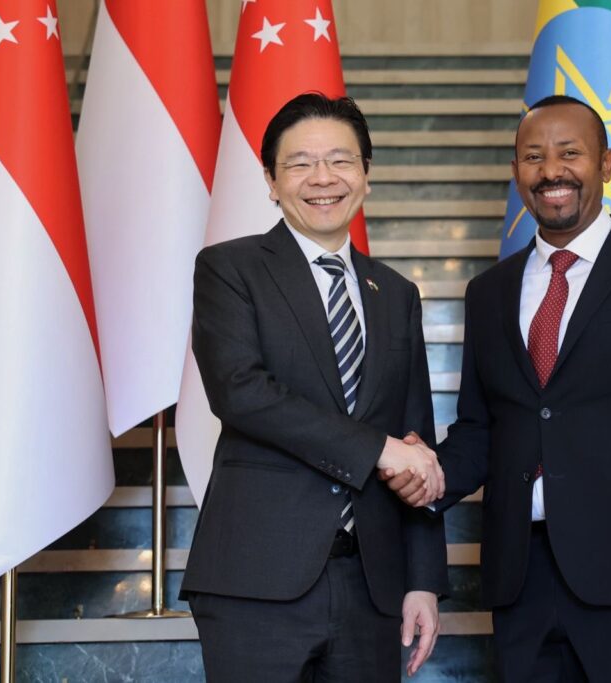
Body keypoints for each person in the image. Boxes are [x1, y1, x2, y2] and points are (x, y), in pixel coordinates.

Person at [384, 94, 611, 681]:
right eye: (533, 156)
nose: (551, 171)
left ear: (607, 163)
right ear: (517, 171)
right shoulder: (490, 291)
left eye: (569, 153)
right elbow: (480, 428)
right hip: (521, 583)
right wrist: (427, 476)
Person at [181, 93, 448, 682]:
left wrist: (424, 580)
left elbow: (416, 440)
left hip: (372, 586)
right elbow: (241, 391)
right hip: (256, 581)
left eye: (340, 161)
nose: (322, 178)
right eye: (300, 163)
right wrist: (378, 449)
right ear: (271, 182)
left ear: (366, 176)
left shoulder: (396, 293)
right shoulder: (230, 269)